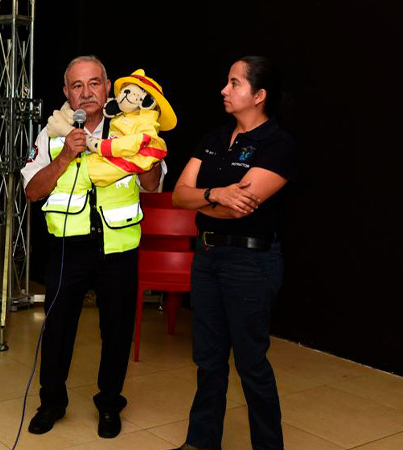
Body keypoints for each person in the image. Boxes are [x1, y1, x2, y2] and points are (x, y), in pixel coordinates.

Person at [20, 55, 164, 439]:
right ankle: (52, 402)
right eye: (77, 85)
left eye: (94, 83)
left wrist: (146, 150)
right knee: (57, 330)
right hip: (69, 248)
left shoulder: (131, 124)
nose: (86, 93)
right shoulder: (51, 133)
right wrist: (66, 156)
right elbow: (32, 191)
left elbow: (152, 185)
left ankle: (110, 403)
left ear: (107, 86)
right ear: (66, 92)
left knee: (116, 331)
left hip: (118, 247)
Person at [170, 56, 297, 450]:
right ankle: (201, 442)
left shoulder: (278, 144)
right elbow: (179, 195)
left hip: (250, 263)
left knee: (251, 363)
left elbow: (239, 209)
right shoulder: (214, 138)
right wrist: (216, 193)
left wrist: (207, 199)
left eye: (235, 83)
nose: (224, 90)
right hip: (207, 257)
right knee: (208, 359)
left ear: (259, 95)